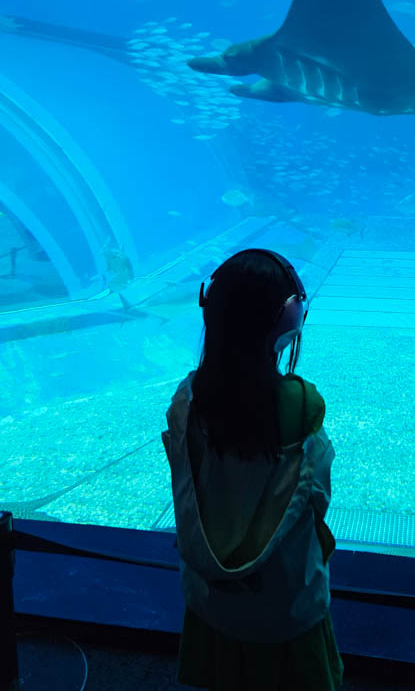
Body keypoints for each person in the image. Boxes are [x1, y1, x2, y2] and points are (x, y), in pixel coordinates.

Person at [161, 248, 343, 690]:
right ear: (289, 319)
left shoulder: (187, 405)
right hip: (286, 608)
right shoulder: (302, 410)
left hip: (212, 606)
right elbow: (317, 498)